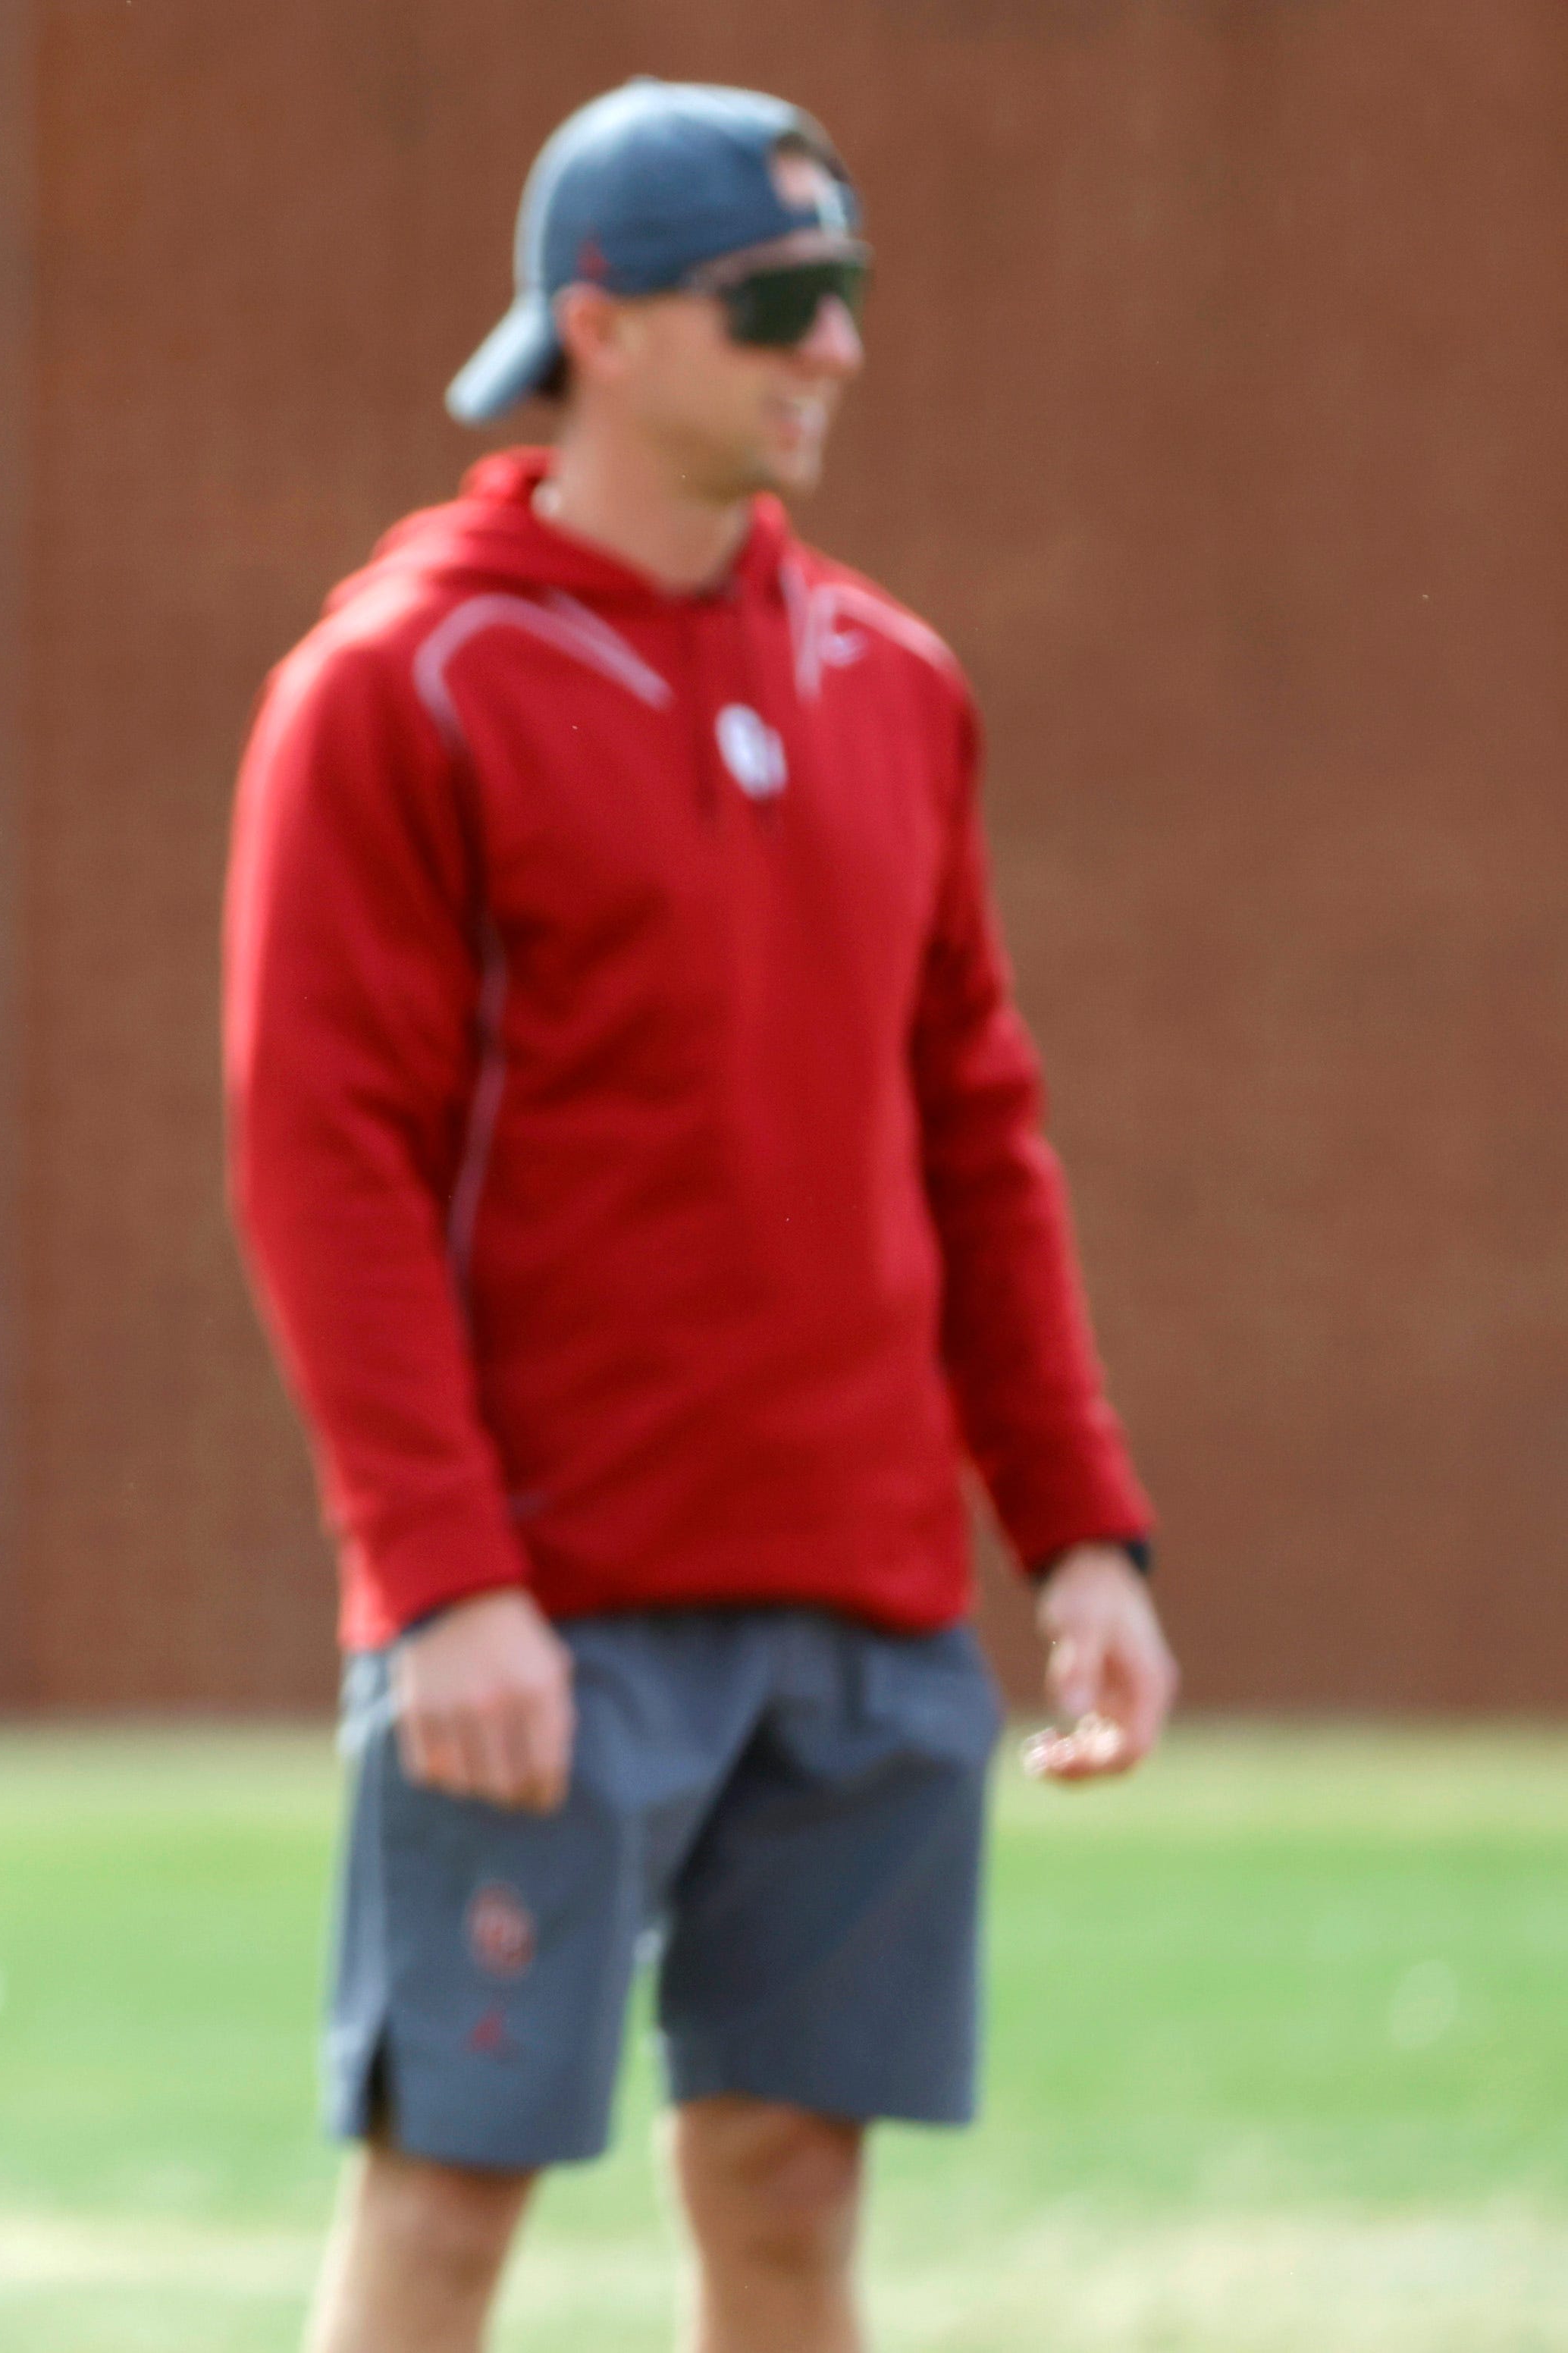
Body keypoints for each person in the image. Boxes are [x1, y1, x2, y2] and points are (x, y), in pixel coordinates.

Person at [224, 80, 1180, 2353]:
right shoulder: (399, 685)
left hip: (863, 1609)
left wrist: (1081, 1537)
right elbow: (317, 1156)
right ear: (603, 327)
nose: (835, 348)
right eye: (783, 303)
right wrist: (441, 1578)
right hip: (539, 1619)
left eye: (846, 298)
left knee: (789, 2201)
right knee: (445, 2204)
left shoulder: (897, 686)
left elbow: (979, 1133)